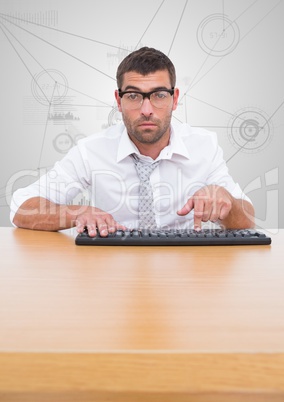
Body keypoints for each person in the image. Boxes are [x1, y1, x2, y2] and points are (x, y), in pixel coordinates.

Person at [10, 47, 254, 237]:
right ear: (118, 100)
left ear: (175, 98)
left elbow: (248, 219)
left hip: (184, 274)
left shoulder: (204, 146)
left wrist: (228, 203)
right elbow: (22, 208)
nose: (146, 110)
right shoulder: (91, 151)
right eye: (134, 96)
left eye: (159, 95)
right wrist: (77, 212)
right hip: (113, 275)